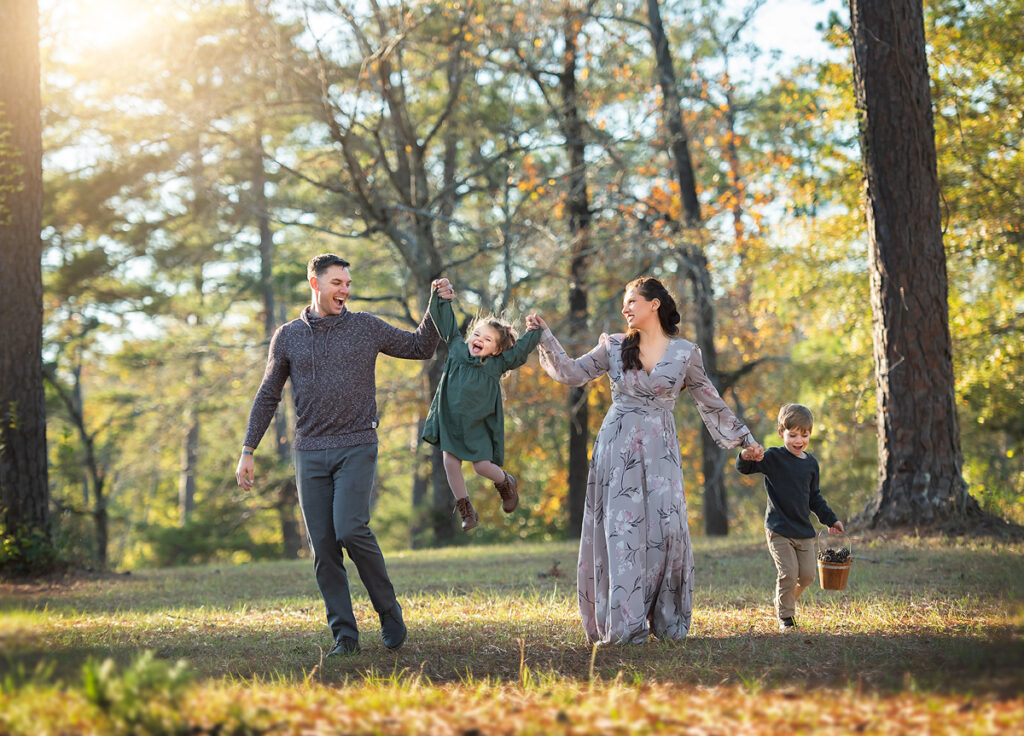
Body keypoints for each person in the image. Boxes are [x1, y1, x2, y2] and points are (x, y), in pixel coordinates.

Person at [235, 253, 453, 657]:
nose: (345, 290)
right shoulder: (287, 336)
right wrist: (248, 449)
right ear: (315, 283)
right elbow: (268, 395)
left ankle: (388, 611)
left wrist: (436, 304)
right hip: (309, 453)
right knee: (323, 546)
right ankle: (345, 635)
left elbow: (420, 346)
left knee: (350, 529)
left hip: (356, 444)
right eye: (337, 283)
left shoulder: (365, 327)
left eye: (348, 284)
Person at [525, 277, 764, 645]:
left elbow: (709, 400)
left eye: (632, 300)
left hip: (661, 451)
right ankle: (625, 625)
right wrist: (545, 337)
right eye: (624, 302)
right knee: (623, 533)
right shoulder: (614, 346)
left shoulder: (685, 353)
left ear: (655, 304)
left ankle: (667, 621)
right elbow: (572, 373)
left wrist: (743, 439)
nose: (625, 308)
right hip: (617, 449)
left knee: (667, 532)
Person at [421, 287, 543, 531]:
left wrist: (535, 331)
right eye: (477, 334)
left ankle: (506, 483)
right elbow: (446, 323)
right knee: (450, 462)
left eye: (487, 340)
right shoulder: (456, 348)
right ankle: (466, 510)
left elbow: (519, 353)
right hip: (451, 422)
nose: (479, 340)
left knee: (481, 467)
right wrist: (439, 295)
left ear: (497, 350)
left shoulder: (496, 364)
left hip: (479, 425)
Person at [735, 403, 845, 632]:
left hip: (803, 530)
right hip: (778, 529)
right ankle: (786, 618)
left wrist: (831, 520)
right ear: (781, 433)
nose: (798, 440)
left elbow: (815, 498)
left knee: (806, 577)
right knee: (788, 573)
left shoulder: (811, 464)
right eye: (792, 434)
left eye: (804, 435)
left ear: (810, 434)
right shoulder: (774, 457)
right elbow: (745, 468)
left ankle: (782, 601)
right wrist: (745, 455)